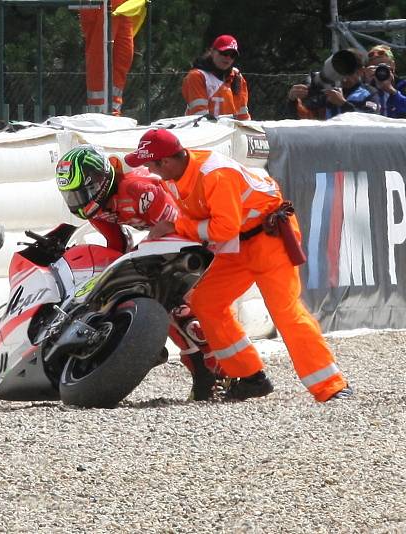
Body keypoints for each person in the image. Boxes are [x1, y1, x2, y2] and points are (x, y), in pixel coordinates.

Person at [125, 128, 352, 402]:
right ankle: (249, 377)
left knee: (286, 312)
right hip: (236, 244)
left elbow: (222, 227)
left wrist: (176, 226)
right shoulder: (174, 176)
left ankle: (331, 386)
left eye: (151, 164)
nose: (150, 170)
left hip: (269, 240)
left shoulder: (215, 175)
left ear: (167, 161)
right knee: (207, 302)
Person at [54, 144, 223, 401]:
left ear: (100, 179)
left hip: (200, 234)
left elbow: (177, 222)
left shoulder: (138, 189)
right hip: (172, 237)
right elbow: (117, 247)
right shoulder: (96, 209)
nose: (79, 200)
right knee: (159, 305)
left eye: (83, 191)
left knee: (183, 305)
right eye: (72, 195)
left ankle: (224, 368)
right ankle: (202, 372)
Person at [79, 0, 144, 115]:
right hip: (101, 7)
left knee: (123, 59)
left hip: (124, 8)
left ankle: (114, 111)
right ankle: (99, 113)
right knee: (100, 61)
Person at [285, 49, 378, 120]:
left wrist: (343, 104)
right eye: (340, 71)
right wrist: (293, 100)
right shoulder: (327, 91)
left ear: (361, 71)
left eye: (348, 72)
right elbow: (301, 117)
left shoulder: (369, 93)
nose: (344, 77)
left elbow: (371, 118)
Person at [182, 34, 250, 120]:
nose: (228, 58)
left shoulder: (237, 77)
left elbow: (243, 115)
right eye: (224, 53)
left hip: (231, 130)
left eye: (232, 55)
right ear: (212, 51)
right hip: (203, 130)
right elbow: (200, 116)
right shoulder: (197, 76)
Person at [365, 45, 406, 119]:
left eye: (383, 65)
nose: (380, 70)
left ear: (393, 65)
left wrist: (392, 91)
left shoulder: (404, 86)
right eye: (375, 67)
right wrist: (367, 86)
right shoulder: (364, 91)